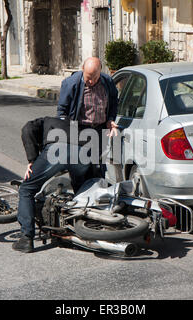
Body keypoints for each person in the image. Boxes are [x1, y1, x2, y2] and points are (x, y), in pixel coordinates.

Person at [12, 116, 91, 253]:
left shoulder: (43, 121)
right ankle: (83, 228)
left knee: (26, 189)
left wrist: (32, 160)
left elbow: (27, 129)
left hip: (57, 150)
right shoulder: (76, 123)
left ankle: (26, 238)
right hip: (83, 151)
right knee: (81, 190)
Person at [57, 57, 119, 170]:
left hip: (100, 131)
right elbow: (62, 111)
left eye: (94, 78)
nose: (91, 81)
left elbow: (114, 102)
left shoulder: (107, 82)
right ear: (82, 70)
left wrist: (110, 119)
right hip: (80, 130)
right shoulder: (70, 84)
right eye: (88, 78)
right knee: (80, 168)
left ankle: (99, 185)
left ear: (100, 71)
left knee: (99, 167)